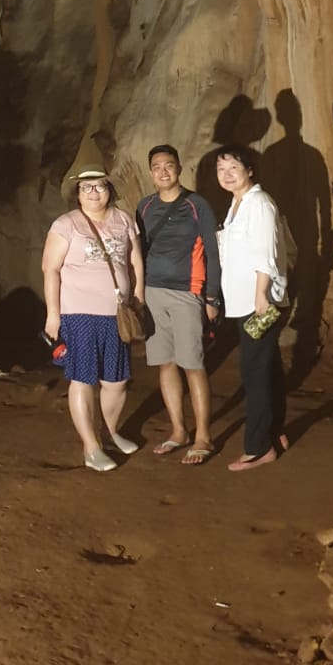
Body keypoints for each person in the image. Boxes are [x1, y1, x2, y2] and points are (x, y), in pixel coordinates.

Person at [42, 167, 145, 473]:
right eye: (86, 187)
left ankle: (109, 431)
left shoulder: (124, 220)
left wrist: (138, 296)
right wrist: (53, 314)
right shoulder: (66, 225)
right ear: (77, 193)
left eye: (99, 186)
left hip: (116, 314)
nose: (94, 193)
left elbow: (134, 261)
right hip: (79, 314)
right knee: (83, 378)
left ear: (109, 189)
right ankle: (91, 446)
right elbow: (50, 269)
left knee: (117, 380)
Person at [136, 144, 221, 465]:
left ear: (179, 168)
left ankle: (203, 437)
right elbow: (137, 251)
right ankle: (178, 431)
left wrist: (212, 297)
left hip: (188, 293)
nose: (163, 171)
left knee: (193, 364)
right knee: (165, 362)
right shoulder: (144, 206)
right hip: (153, 293)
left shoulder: (197, 205)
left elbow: (213, 252)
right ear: (151, 173)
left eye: (168, 165)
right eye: (157, 167)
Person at [217, 144, 289, 473]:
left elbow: (265, 253)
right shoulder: (238, 203)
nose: (227, 175)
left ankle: (259, 447)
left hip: (256, 300)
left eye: (234, 168)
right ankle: (275, 433)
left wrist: (261, 295)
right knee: (267, 368)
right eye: (221, 170)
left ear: (249, 170)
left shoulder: (258, 203)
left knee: (254, 372)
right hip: (242, 299)